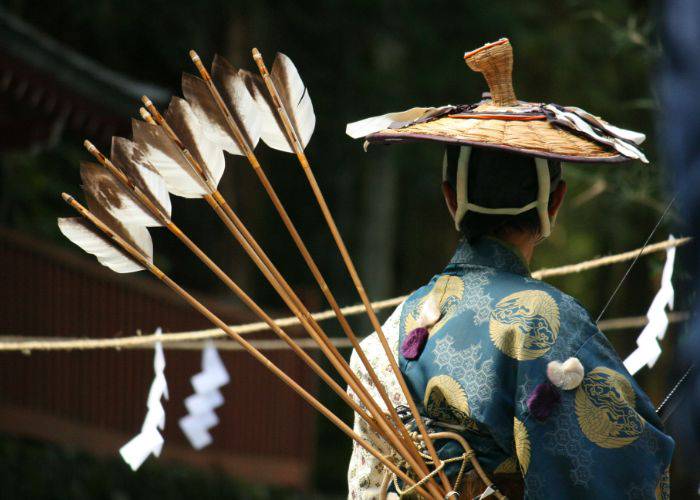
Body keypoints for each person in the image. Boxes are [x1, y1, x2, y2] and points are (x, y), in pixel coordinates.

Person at [345, 39, 673, 499]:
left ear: (450, 198)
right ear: (553, 203)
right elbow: (622, 474)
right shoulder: (544, 323)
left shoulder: (393, 328)